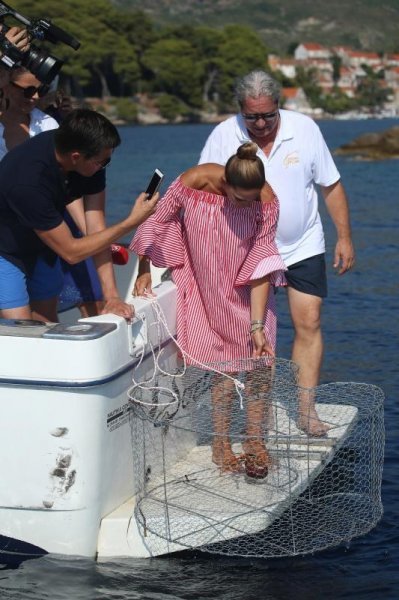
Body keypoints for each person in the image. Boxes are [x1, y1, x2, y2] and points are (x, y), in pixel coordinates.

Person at [199, 70, 355, 436]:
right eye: (251, 116)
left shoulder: (305, 129)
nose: (260, 123)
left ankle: (306, 410)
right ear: (240, 109)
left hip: (303, 244)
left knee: (310, 322)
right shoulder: (223, 135)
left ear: (278, 106)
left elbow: (330, 185)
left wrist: (344, 236)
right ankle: (252, 418)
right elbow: (201, 192)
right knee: (246, 332)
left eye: (268, 115)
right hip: (245, 248)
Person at [130, 142, 287, 477]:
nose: (246, 205)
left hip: (249, 294)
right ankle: (221, 444)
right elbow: (156, 220)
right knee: (224, 371)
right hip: (206, 291)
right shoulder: (193, 182)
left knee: (261, 365)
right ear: (225, 184)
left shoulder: (266, 202)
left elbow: (262, 266)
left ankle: (255, 440)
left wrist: (256, 325)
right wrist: (144, 266)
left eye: (252, 197)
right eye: (239, 198)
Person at [0, 108, 159, 322]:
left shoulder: (91, 158)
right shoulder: (28, 181)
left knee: (46, 321)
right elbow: (71, 252)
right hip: (5, 250)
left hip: (41, 243)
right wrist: (131, 221)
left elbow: (96, 227)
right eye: (101, 162)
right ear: (76, 157)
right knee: (20, 331)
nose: (104, 166)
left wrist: (112, 297)